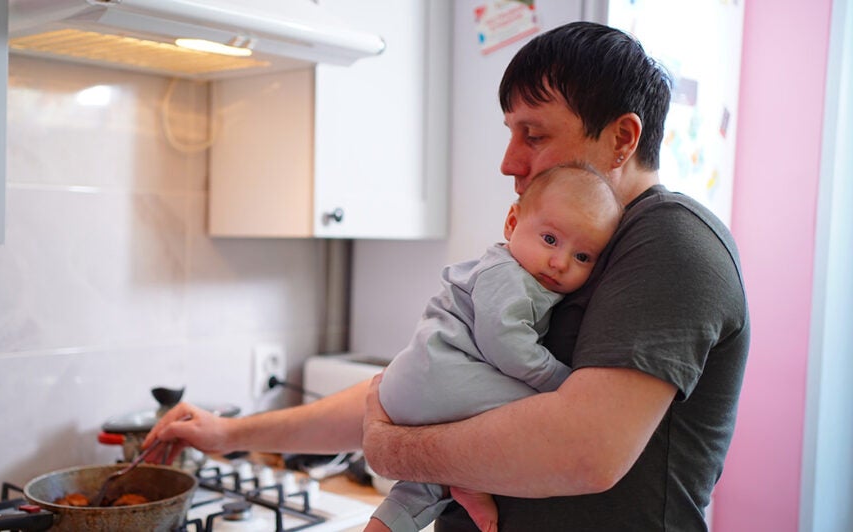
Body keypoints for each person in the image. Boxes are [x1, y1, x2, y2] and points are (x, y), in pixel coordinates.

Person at [144, 21, 750, 531]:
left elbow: (585, 451)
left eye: (532, 134)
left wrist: (390, 448)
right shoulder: (560, 249)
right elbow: (426, 378)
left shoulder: (671, 241)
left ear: (622, 138)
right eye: (511, 131)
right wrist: (231, 433)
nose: (510, 161)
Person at [370, 163, 621, 532]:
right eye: (550, 239)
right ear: (512, 222)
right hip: (441, 374)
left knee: (421, 483)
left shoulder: (518, 274)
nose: (560, 262)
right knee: (539, 417)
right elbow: (505, 344)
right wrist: (562, 383)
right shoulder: (506, 274)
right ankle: (470, 480)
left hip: (424, 384)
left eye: (582, 257)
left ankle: (393, 518)